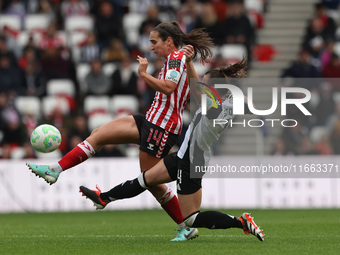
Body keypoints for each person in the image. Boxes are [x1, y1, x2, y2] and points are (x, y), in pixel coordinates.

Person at [27, 21, 214, 240]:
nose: (151, 47)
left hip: (160, 127)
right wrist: (189, 62)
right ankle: (55, 170)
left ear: (169, 41)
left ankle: (186, 225)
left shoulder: (175, 59)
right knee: (98, 134)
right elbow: (193, 89)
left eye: (154, 42)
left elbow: (169, 87)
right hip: (150, 120)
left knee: (150, 181)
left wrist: (143, 74)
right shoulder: (179, 59)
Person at [79, 45, 265, 242]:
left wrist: (189, 62)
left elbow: (195, 87)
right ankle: (103, 198)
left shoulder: (214, 105)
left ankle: (242, 222)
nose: (203, 83)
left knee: (191, 219)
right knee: (145, 180)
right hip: (186, 154)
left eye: (207, 82)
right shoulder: (226, 102)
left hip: (192, 160)